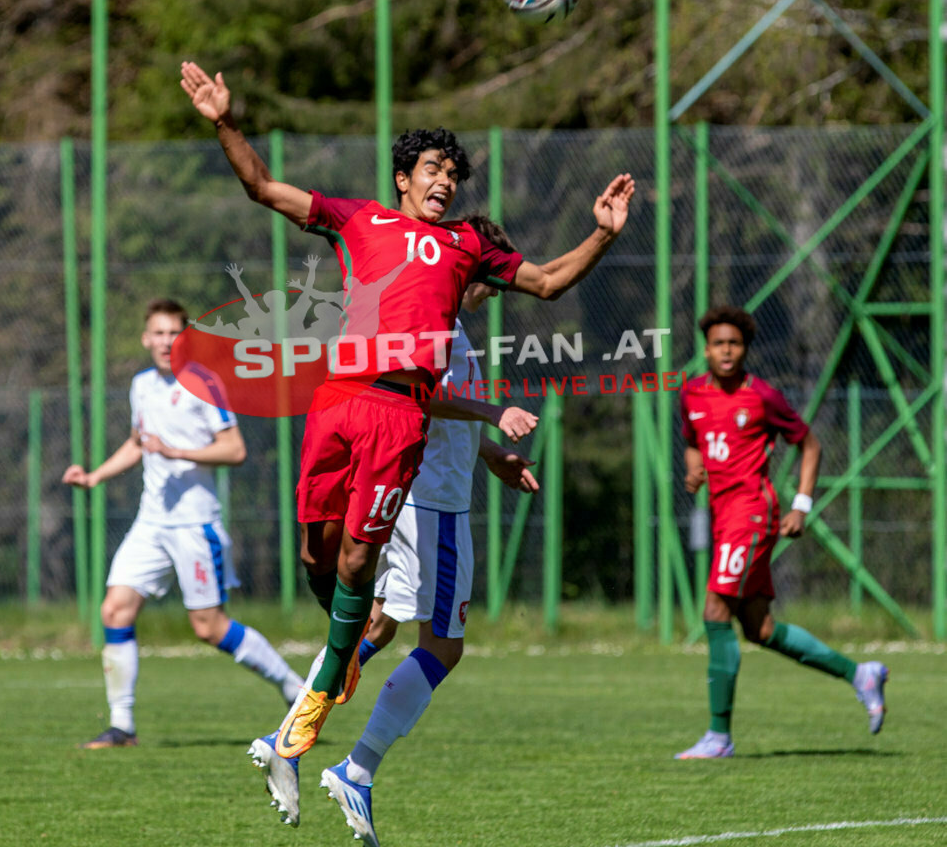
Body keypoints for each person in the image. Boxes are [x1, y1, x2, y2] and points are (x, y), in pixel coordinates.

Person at [179, 61, 635, 820]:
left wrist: (601, 234)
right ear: (401, 178)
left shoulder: (465, 248)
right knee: (317, 559)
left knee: (364, 573)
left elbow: (550, 282)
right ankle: (307, 722)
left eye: (454, 172)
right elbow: (263, 188)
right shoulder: (359, 220)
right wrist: (224, 122)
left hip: (400, 416)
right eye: (433, 168)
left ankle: (307, 724)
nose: (445, 180)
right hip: (337, 398)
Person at [301, 217, 537, 847]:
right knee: (443, 646)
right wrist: (494, 416)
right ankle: (356, 769)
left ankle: (288, 736)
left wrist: (490, 454)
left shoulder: (438, 325)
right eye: (492, 272)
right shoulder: (442, 328)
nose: (495, 285)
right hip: (433, 504)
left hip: (420, 494)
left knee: (377, 624)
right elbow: (423, 398)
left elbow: (430, 407)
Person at [62, 298, 304, 749]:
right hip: (151, 523)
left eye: (174, 333)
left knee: (209, 627)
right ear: (145, 338)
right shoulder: (141, 386)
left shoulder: (205, 384)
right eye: (158, 333)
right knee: (114, 609)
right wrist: (95, 475)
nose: (165, 342)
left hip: (196, 526)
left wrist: (177, 451)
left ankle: (294, 687)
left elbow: (234, 450)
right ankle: (122, 726)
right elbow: (139, 442)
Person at [675, 304, 888, 760]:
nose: (726, 351)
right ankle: (860, 674)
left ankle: (718, 736)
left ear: (745, 349)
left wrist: (802, 506)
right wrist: (694, 472)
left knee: (715, 610)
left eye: (734, 343)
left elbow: (810, 444)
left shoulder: (762, 397)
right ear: (706, 349)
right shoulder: (691, 394)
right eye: (718, 344)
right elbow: (693, 443)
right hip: (722, 515)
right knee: (759, 628)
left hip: (752, 512)